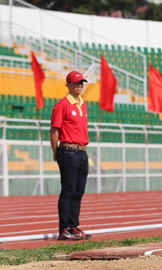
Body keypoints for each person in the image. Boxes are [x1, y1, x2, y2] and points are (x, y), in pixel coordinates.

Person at [50, 71, 92, 241]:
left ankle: (73, 226)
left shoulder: (84, 104)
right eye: (76, 83)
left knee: (78, 192)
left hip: (82, 152)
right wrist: (55, 151)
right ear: (68, 84)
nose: (79, 85)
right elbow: (54, 130)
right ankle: (63, 229)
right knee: (68, 191)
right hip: (68, 151)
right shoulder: (62, 105)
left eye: (81, 82)